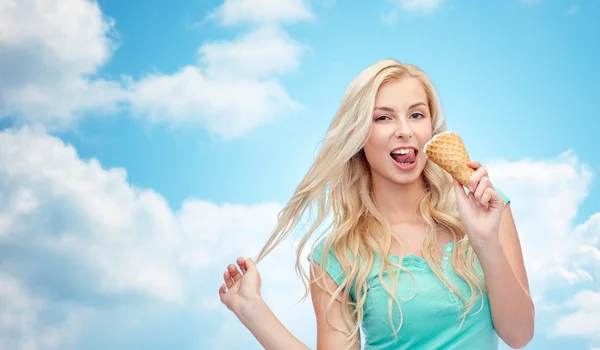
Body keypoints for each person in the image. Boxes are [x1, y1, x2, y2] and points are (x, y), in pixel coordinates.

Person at [218, 59, 535, 349]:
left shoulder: (489, 209)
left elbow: (519, 335)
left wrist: (485, 242)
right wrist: (252, 311)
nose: (405, 131)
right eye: (384, 117)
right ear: (358, 136)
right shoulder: (338, 255)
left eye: (416, 115)